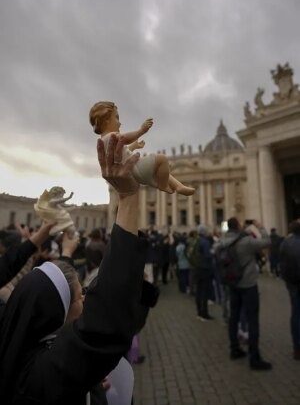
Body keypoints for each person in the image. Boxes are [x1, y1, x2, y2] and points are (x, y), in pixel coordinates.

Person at [0, 133, 148, 404]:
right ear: (57, 312)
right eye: (79, 297)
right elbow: (107, 322)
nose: (84, 301)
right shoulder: (44, 376)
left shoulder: (24, 354)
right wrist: (128, 198)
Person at [89, 101, 195, 196]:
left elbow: (122, 153)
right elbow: (125, 138)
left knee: (162, 170)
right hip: (135, 168)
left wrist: (134, 146)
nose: (120, 123)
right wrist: (141, 130)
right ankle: (162, 185)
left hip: (132, 169)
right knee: (162, 159)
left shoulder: (104, 141)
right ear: (106, 120)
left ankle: (178, 186)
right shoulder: (111, 136)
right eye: (116, 118)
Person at [216, 217, 272, 370]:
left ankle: (234, 349)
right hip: (248, 284)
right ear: (238, 226)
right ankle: (254, 357)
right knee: (252, 319)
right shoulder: (245, 241)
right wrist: (259, 227)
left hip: (232, 284)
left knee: (234, 317)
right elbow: (267, 241)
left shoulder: (221, 242)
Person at [279, 220, 300, 360]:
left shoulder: (285, 243)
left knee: (296, 314)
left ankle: (297, 347)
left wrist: (287, 280)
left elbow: (283, 264)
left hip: (293, 284)